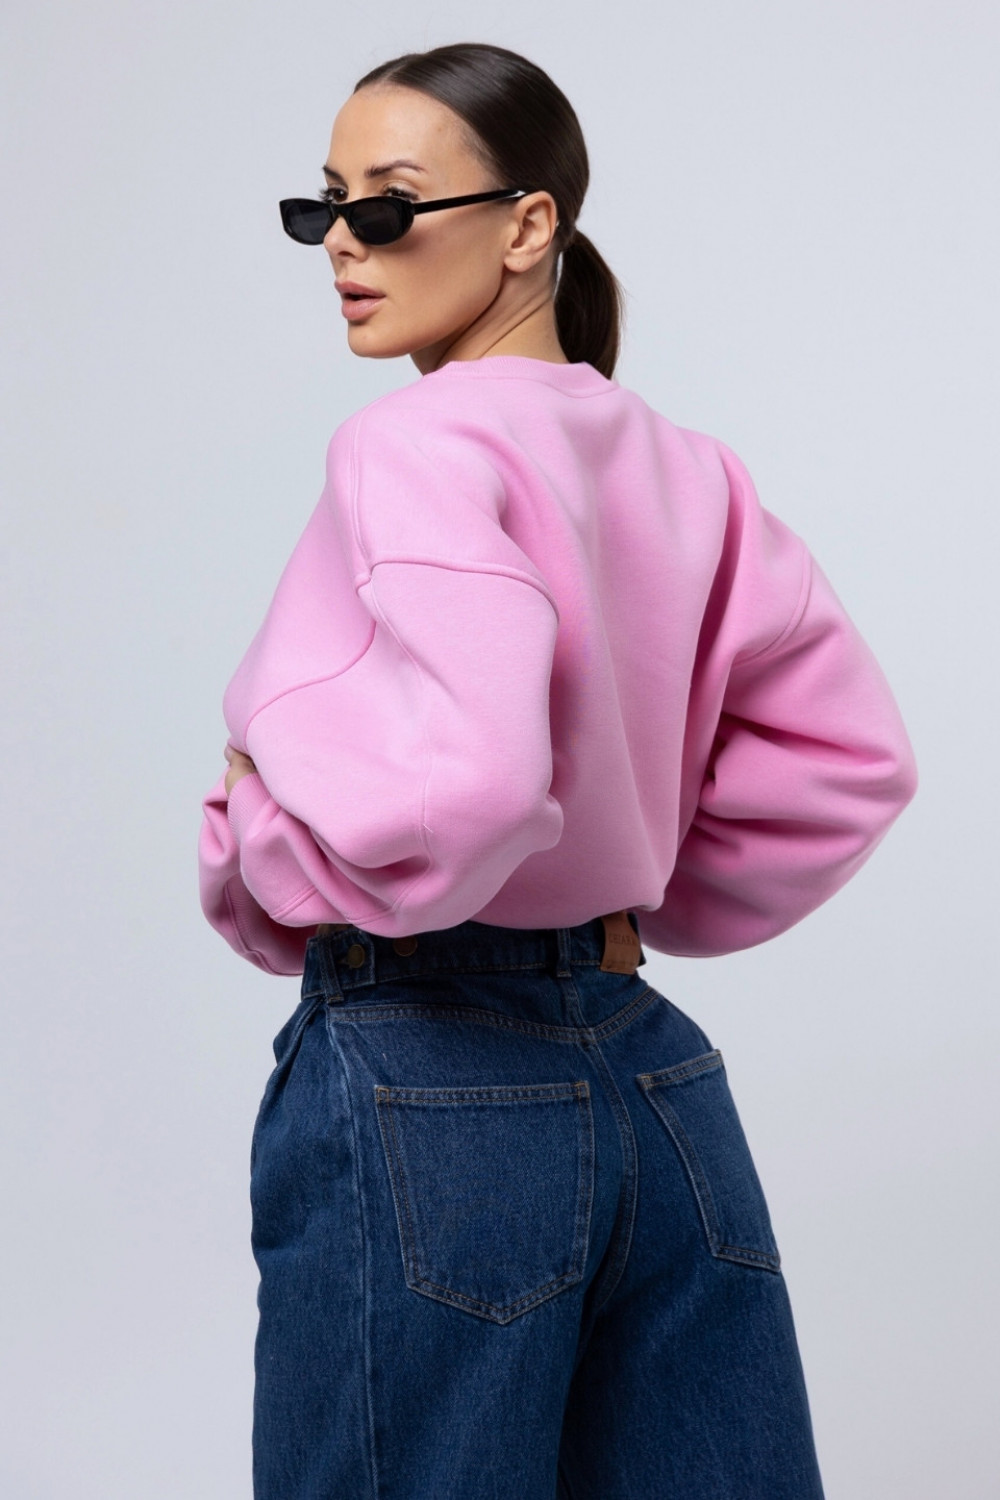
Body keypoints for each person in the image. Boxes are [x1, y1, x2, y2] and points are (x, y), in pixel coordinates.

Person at [197, 40, 917, 1500]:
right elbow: (850, 756)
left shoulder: (415, 445)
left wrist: (260, 830)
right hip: (654, 1077)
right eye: (323, 204)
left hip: (428, 1069)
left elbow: (468, 788)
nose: (342, 241)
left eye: (387, 204)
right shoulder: (687, 466)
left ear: (529, 225)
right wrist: (639, 889)